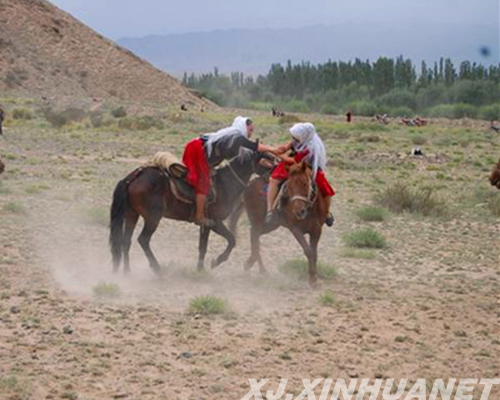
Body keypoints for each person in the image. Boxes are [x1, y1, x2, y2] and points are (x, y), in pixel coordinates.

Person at [182, 116, 277, 226]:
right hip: (197, 150)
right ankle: (199, 217)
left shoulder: (232, 137)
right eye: (250, 130)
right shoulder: (236, 137)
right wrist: (273, 149)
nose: (251, 134)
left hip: (198, 149)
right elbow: (254, 146)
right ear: (243, 127)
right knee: (203, 184)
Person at [265, 122, 335, 226]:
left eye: (296, 138)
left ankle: (326, 212)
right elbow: (287, 146)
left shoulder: (309, 148)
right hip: (293, 162)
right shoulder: (299, 139)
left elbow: (293, 160)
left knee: (325, 189)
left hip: (305, 165)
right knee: (274, 180)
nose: (293, 140)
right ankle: (270, 209)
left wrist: (278, 154)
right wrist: (281, 149)